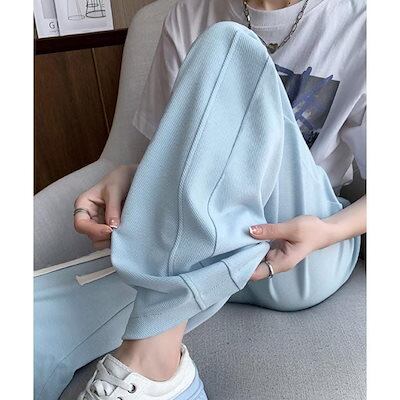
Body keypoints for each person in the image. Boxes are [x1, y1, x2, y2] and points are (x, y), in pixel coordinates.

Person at [36, 0, 366, 399]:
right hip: (201, 249)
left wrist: (327, 232)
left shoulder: (365, 22)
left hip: (298, 248)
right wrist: (129, 173)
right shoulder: (189, 13)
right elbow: (174, 152)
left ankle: (154, 362)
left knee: (228, 45)